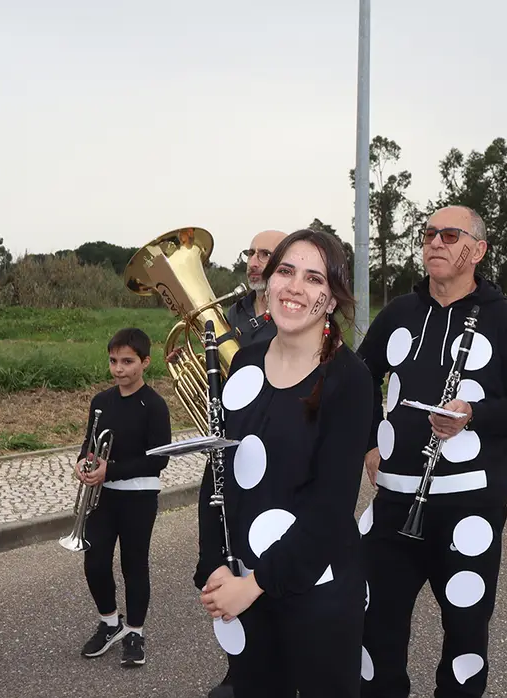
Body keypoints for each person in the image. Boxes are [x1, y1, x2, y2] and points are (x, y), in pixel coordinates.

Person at [356, 205, 507, 698]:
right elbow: (359, 380)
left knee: (465, 631)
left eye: (449, 234)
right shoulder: (399, 313)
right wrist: (367, 442)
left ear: (478, 250)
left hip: (470, 504)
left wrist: (474, 414)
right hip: (394, 502)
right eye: (428, 234)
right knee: (374, 629)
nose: (434, 242)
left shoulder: (505, 320)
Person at [196, 228, 373, 696]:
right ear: (268, 282)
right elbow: (218, 474)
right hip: (245, 587)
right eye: (286, 272)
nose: (295, 287)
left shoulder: (350, 380)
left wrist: (252, 585)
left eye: (315, 279)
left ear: (331, 300)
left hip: (318, 593)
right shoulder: (246, 363)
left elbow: (329, 512)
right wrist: (212, 563)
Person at [201, 228, 288, 698]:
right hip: (229, 447)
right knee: (227, 548)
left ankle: (277, 667)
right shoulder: (228, 314)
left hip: (275, 454)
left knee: (268, 550)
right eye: (252, 253)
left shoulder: (289, 316)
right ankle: (239, 670)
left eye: (266, 254)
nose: (255, 262)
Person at [76, 327, 172, 667]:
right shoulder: (101, 401)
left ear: (145, 363)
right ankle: (109, 622)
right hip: (103, 497)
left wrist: (110, 470)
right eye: (114, 361)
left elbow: (159, 459)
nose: (119, 369)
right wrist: (83, 463)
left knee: (134, 565)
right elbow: (90, 443)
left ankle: (135, 631)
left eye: (128, 361)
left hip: (139, 497)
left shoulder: (154, 405)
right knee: (95, 562)